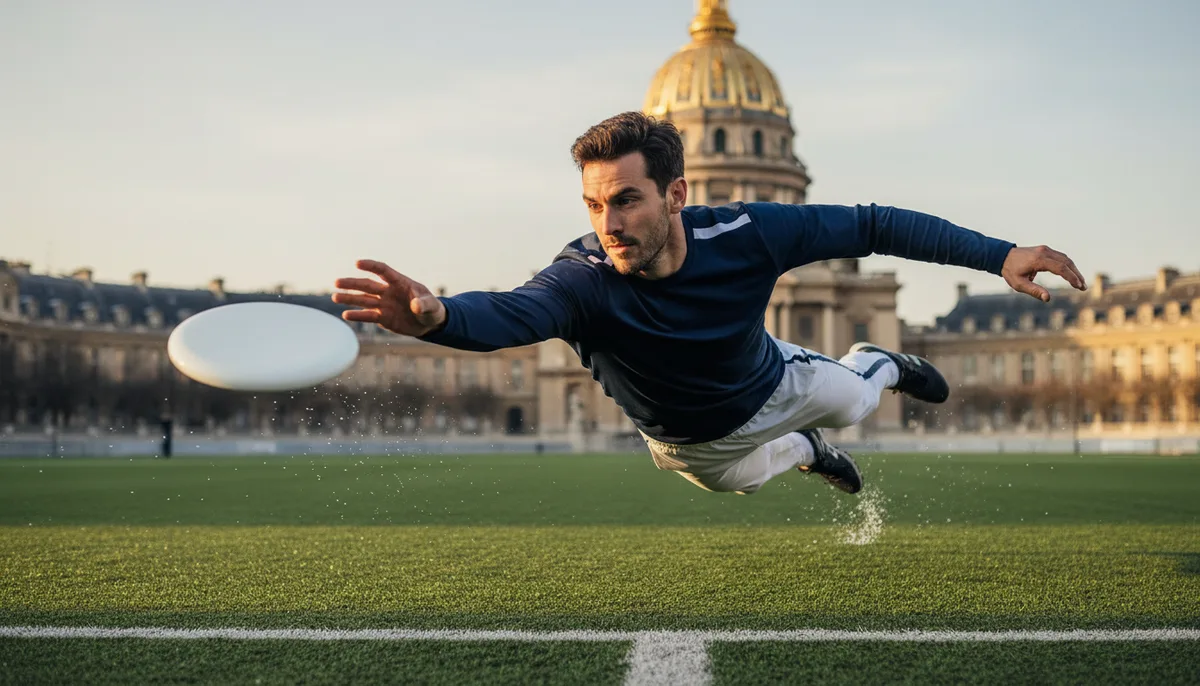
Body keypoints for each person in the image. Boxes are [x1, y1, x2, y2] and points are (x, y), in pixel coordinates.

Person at [332, 111, 1086, 496]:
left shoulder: (750, 231)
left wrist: (1000, 255)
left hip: (773, 379)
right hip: (691, 444)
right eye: (595, 205)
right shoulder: (583, 277)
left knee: (856, 401)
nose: (610, 224)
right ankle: (809, 453)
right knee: (746, 480)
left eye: (626, 200)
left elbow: (873, 224)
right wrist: (437, 318)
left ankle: (880, 360)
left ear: (678, 194)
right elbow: (513, 313)